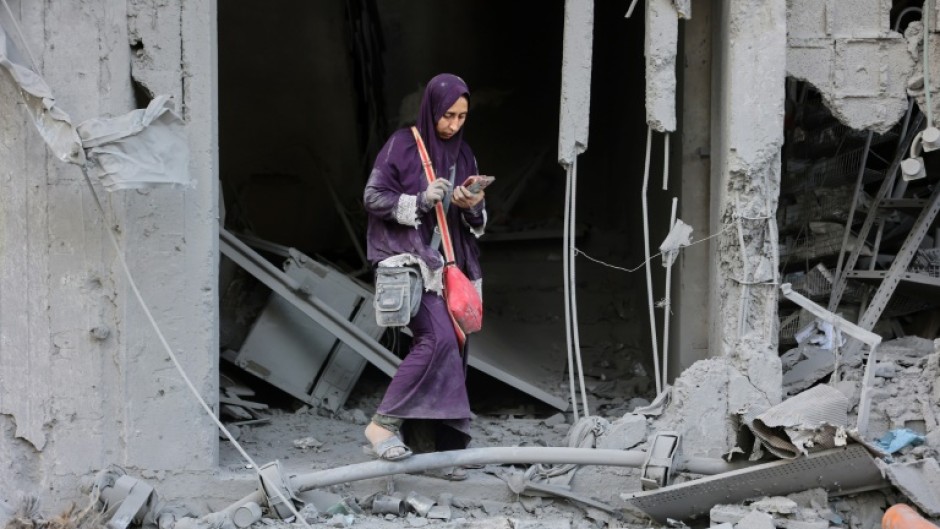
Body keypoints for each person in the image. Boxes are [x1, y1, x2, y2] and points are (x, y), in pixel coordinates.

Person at [362, 73, 487, 480]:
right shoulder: (402, 145)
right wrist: (420, 199)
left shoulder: (465, 155)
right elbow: (373, 197)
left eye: (462, 116)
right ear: (432, 108)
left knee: (454, 352)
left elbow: (477, 223)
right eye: (447, 115)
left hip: (452, 270)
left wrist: (471, 205)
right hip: (414, 264)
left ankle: (439, 452)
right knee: (437, 340)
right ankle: (382, 424)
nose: (453, 124)